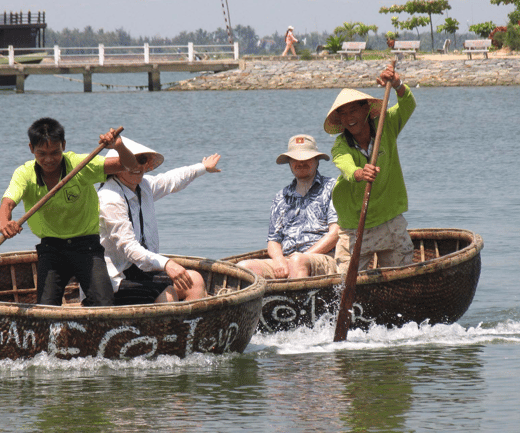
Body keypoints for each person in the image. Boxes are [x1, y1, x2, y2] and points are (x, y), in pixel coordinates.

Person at [0, 118, 140, 307]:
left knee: (104, 303)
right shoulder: (24, 174)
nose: (49, 159)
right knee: (45, 308)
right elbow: (7, 204)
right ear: (31, 148)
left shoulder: (80, 164)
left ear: (63, 146)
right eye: (42, 153)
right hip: (51, 248)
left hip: (86, 246)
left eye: (55, 152)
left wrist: (119, 147)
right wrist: (4, 224)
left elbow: (131, 166)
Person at [98, 137, 221, 304]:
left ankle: (193, 328)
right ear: (116, 167)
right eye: (129, 162)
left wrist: (203, 168)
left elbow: (171, 180)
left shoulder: (144, 186)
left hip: (141, 271)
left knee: (195, 281)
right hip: (114, 279)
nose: (136, 167)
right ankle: (171, 329)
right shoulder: (110, 198)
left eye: (140, 160)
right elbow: (129, 248)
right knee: (168, 294)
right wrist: (167, 264)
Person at [324, 63, 417, 273]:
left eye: (353, 110)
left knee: (401, 276)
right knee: (346, 280)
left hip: (389, 218)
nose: (349, 118)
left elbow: (408, 104)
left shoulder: (387, 124)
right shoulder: (340, 144)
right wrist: (359, 173)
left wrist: (397, 85)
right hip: (355, 224)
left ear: (366, 108)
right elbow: (344, 164)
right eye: (343, 114)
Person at [238, 134, 339, 279]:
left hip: (324, 258)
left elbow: (335, 233)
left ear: (317, 160)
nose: (301, 162)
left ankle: (298, 301)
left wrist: (300, 257)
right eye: (295, 159)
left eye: (306, 158)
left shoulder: (332, 187)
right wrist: (279, 261)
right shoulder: (281, 196)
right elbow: (273, 240)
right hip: (287, 259)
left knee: (298, 261)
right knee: (244, 268)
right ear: (290, 162)